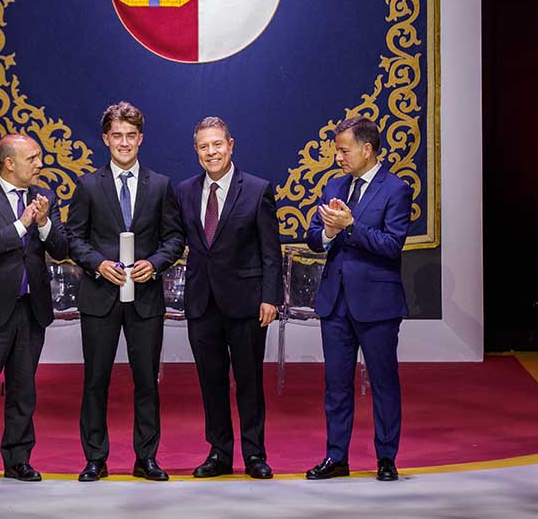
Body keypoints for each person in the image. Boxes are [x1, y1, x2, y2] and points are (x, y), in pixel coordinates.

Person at [68, 101, 185, 481]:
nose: (124, 142)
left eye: (130, 135)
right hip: (100, 297)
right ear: (105, 138)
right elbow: (74, 238)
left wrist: (156, 263)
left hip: (146, 299)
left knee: (147, 381)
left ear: (141, 138)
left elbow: (174, 238)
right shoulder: (88, 185)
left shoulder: (161, 185)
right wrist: (97, 263)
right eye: (117, 135)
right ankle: (95, 458)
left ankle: (146, 458)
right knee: (95, 381)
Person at [0, 133, 70, 484]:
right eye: (32, 158)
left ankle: (18, 459)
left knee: (23, 390)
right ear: (9, 163)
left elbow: (62, 248)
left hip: (30, 310)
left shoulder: (44, 197)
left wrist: (44, 223)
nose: (40, 164)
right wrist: (23, 224)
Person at [304, 115, 412, 482]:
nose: (338, 158)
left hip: (377, 303)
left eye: (343, 150)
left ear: (367, 150)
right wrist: (329, 232)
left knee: (383, 383)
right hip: (335, 302)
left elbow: (392, 245)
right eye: (337, 151)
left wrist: (350, 226)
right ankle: (336, 457)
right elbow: (314, 237)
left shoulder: (395, 189)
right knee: (336, 385)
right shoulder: (334, 185)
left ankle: (386, 457)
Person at [175, 116, 282, 479]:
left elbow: (271, 252)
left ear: (231, 145)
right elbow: (176, 240)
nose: (211, 152)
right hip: (201, 303)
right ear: (196, 150)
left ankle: (254, 454)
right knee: (212, 383)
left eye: (217, 144)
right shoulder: (185, 191)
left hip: (247, 303)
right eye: (204, 146)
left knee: (249, 382)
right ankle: (219, 453)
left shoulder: (257, 189)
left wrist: (270, 297)